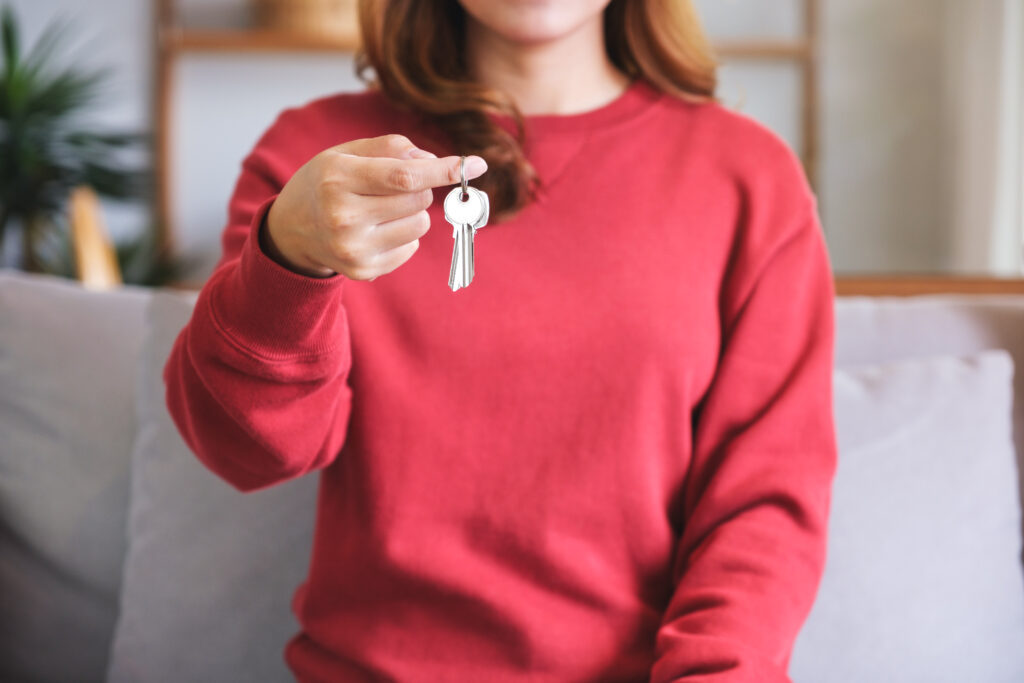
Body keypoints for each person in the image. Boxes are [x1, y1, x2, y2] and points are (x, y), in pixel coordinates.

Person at [163, 0, 838, 680]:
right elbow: (244, 451)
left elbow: (764, 505)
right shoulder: (323, 163)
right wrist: (288, 259)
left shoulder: (749, 180)